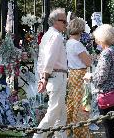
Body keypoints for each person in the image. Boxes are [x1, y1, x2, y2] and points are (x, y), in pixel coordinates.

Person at [34, 8, 68, 138]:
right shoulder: (56, 36)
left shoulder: (47, 35)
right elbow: (49, 58)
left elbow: (42, 60)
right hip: (56, 76)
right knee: (53, 114)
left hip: (55, 77)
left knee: (60, 115)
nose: (66, 24)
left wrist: (43, 76)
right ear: (55, 22)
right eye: (64, 21)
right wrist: (45, 77)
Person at [66, 18, 93, 138]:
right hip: (81, 75)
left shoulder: (68, 42)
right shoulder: (77, 44)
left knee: (72, 102)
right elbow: (87, 62)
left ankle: (70, 128)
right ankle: (81, 132)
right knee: (83, 102)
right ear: (80, 29)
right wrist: (91, 57)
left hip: (72, 74)